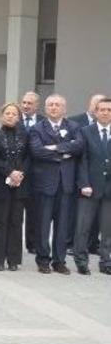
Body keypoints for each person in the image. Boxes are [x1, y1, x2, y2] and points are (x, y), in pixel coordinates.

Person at [29, 94, 82, 274]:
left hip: (66, 185)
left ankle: (59, 261)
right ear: (45, 108)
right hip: (45, 184)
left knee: (63, 226)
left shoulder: (74, 127)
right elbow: (37, 151)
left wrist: (54, 148)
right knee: (43, 225)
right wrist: (64, 152)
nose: (53, 107)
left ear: (64, 109)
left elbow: (79, 146)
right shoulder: (37, 128)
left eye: (57, 105)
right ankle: (43, 260)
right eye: (50, 104)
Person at [73, 97, 111, 275]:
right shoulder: (85, 131)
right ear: (95, 112)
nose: (106, 113)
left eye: (109, 110)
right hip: (89, 189)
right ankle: (81, 261)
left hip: (109, 190)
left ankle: (106, 262)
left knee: (107, 229)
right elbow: (82, 160)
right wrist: (84, 184)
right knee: (83, 227)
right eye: (102, 109)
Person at [0, 103, 30, 271]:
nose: (10, 116)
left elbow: (28, 157)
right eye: (7, 113)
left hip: (20, 183)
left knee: (16, 221)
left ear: (18, 117)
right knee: (0, 221)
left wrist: (20, 173)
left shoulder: (25, 135)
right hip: (1, 182)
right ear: (2, 116)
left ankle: (13, 259)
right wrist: (9, 172)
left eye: (14, 114)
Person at [20, 91, 45, 253]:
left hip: (37, 173)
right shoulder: (14, 119)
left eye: (29, 103)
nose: (26, 106)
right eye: (24, 102)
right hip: (17, 172)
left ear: (37, 105)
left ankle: (33, 243)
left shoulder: (43, 122)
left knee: (35, 211)